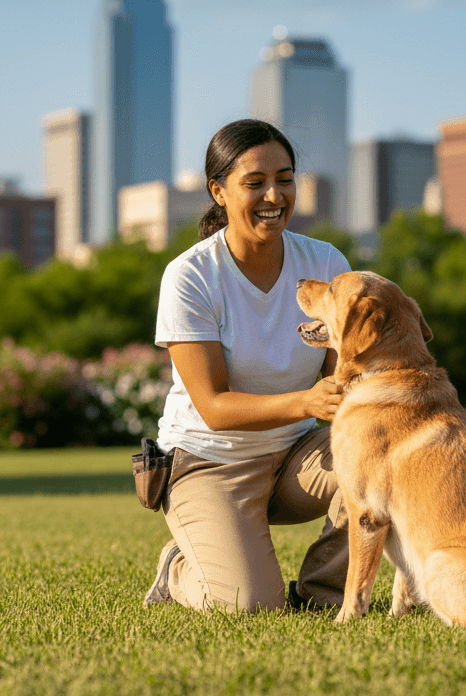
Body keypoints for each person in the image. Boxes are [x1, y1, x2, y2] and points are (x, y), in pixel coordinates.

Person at [142, 118, 351, 612]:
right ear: (219, 191)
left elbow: (346, 372)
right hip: (210, 463)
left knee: (379, 459)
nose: (274, 196)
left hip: (296, 457)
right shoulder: (190, 276)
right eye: (255, 183)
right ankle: (177, 569)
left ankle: (324, 594)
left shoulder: (325, 263)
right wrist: (307, 402)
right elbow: (213, 407)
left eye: (285, 179)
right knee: (248, 606)